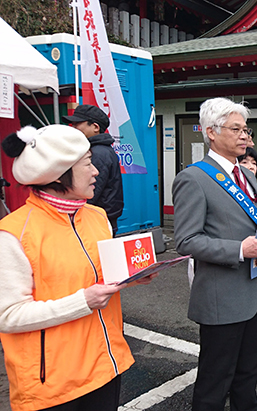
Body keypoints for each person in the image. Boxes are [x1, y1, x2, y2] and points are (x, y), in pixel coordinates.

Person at [0, 124, 154, 410]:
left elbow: (96, 277)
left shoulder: (97, 217)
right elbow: (9, 316)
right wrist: (83, 301)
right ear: (58, 173)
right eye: (87, 163)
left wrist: (131, 276)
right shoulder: (13, 234)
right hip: (53, 383)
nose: (96, 171)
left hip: (106, 366)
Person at [173, 97, 257, 410]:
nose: (244, 136)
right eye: (235, 129)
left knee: (248, 374)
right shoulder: (194, 178)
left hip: (253, 291)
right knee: (215, 381)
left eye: (245, 129)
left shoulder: (249, 176)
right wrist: (240, 249)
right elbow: (185, 240)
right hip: (220, 297)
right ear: (211, 132)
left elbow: (255, 225)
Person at [63, 104, 124, 235]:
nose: (73, 128)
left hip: (97, 219)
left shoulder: (97, 153)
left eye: (77, 124)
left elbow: (90, 192)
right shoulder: (101, 150)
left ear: (95, 127)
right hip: (101, 217)